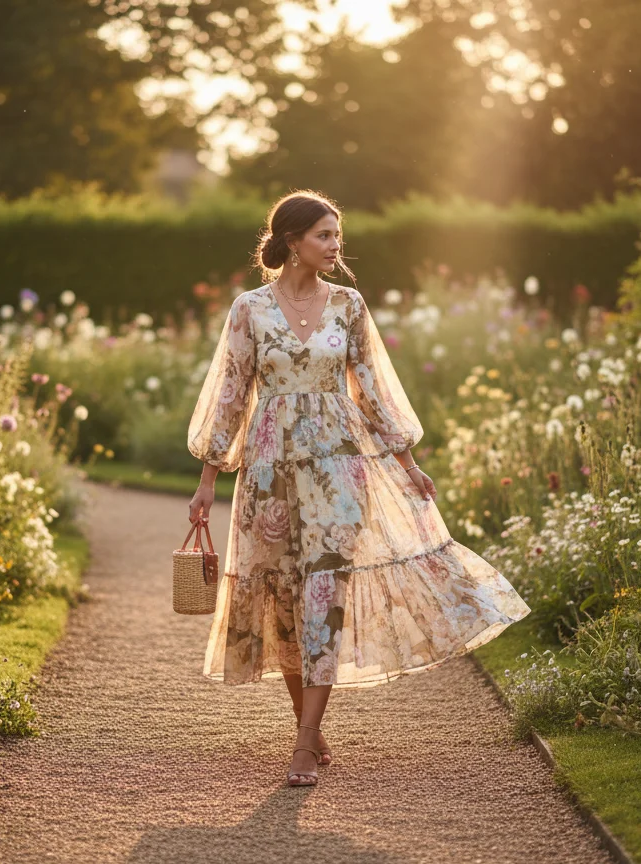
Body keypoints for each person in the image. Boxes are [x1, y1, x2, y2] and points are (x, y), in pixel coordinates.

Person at [186, 190, 531, 788]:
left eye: (337, 235)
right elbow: (231, 397)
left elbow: (371, 387)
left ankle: (299, 746)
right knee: (284, 597)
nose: (334, 244)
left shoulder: (349, 305)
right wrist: (207, 480)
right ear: (293, 241)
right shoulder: (249, 309)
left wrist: (407, 459)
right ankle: (311, 728)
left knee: (325, 591)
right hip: (269, 471)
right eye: (323, 234)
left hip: (339, 466)